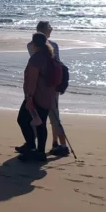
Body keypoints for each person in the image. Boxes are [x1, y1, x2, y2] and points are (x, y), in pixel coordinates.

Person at [27, 21, 69, 157]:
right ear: (43, 30)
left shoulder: (31, 45)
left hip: (42, 85)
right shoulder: (53, 46)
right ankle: (57, 144)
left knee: (41, 115)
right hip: (50, 85)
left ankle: (56, 144)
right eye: (49, 27)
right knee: (52, 115)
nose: (52, 29)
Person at [17, 33, 59, 162]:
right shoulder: (50, 56)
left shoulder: (36, 58)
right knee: (41, 124)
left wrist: (29, 98)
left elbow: (32, 80)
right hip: (49, 96)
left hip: (36, 96)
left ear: (34, 44)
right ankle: (40, 152)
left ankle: (32, 148)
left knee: (22, 120)